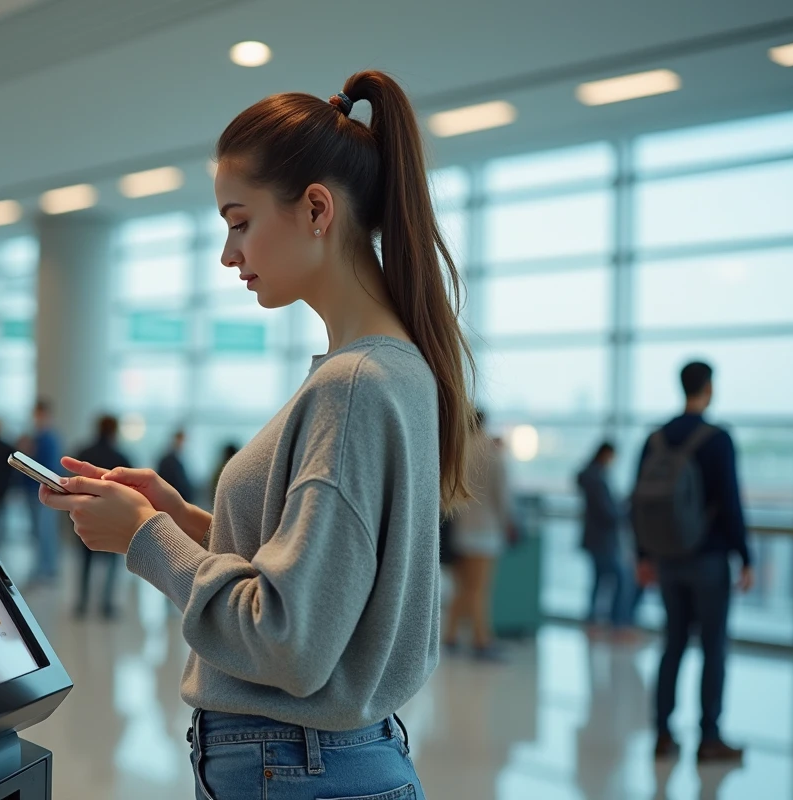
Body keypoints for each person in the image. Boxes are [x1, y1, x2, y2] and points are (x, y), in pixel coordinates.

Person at [38, 70, 473, 798]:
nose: (228, 253)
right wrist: (179, 516)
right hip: (318, 765)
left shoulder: (356, 385)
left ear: (314, 209)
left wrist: (147, 537)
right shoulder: (383, 370)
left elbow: (289, 640)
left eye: (239, 221)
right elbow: (319, 583)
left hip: (298, 768)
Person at [635, 361, 754, 763]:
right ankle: (709, 738)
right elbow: (732, 502)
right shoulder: (718, 439)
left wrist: (642, 556)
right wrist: (746, 556)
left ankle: (663, 734)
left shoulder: (654, 439)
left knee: (673, 645)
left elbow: (637, 502)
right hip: (709, 559)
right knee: (713, 648)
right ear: (709, 388)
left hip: (666, 559)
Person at [444, 411, 512, 660]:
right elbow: (502, 495)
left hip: (460, 529)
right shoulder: (492, 452)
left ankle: (450, 636)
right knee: (479, 589)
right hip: (485, 532)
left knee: (463, 588)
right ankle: (481, 640)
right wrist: (508, 523)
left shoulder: (460, 450)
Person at [72, 414, 133, 620]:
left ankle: (82, 603)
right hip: (112, 519)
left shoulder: (83, 453)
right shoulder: (121, 459)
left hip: (86, 514)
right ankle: (106, 605)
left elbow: (72, 485)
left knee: (85, 561)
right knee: (111, 563)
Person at [578, 441, 632, 636]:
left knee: (599, 579)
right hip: (603, 539)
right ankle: (617, 623)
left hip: (595, 538)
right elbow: (607, 512)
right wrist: (625, 510)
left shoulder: (592, 476)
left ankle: (594, 620)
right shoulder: (597, 478)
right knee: (619, 577)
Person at [27, 399, 63, 584]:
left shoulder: (50, 439)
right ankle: (44, 568)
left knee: (45, 532)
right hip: (33, 491)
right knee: (38, 532)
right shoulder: (36, 437)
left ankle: (47, 570)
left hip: (47, 493)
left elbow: (50, 468)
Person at [157, 430, 196, 504]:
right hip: (172, 501)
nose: (183, 444)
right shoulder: (169, 460)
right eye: (181, 441)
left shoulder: (177, 459)